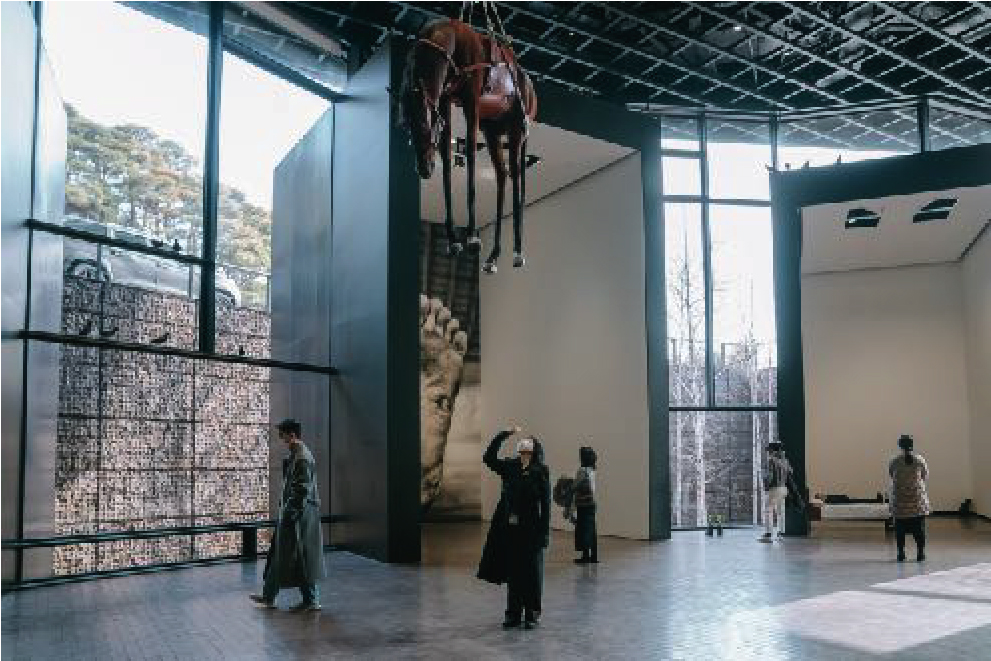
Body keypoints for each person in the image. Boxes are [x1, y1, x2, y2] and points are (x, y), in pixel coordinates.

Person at [477, 425, 551, 629]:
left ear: (534, 452)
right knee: (514, 572)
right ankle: (513, 613)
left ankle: (532, 614)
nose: (524, 453)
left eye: (528, 450)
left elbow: (546, 505)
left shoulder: (541, 471)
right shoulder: (510, 467)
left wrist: (544, 533)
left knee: (532, 573)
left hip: (531, 530)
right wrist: (503, 434)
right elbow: (488, 458)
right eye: (522, 450)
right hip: (511, 529)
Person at [250, 419, 326, 610]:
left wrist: (290, 515)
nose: (281, 440)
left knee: (300, 558)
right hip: (295, 516)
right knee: (284, 555)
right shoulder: (297, 455)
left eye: (282, 436)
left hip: (299, 518)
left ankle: (310, 600)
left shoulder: (302, 457)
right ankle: (270, 596)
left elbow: (301, 491)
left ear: (292, 435)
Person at [889, 434, 930, 562]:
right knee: (919, 529)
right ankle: (920, 553)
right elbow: (925, 476)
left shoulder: (894, 461)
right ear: (912, 445)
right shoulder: (920, 460)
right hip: (917, 502)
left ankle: (901, 553)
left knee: (899, 530)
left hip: (900, 503)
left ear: (900, 446)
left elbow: (892, 475)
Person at [566, 446, 598, 564]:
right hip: (591, 503)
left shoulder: (582, 470)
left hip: (583, 505)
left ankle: (585, 557)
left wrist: (567, 488)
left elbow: (575, 486)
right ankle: (593, 556)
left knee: (583, 530)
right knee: (591, 530)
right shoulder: (592, 470)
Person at [760, 441, 793, 543]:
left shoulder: (771, 461)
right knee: (780, 511)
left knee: (768, 510)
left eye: (769, 450)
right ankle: (780, 533)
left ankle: (768, 534)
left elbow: (769, 476)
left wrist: (766, 485)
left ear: (773, 451)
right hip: (783, 488)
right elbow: (791, 471)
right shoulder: (785, 460)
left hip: (774, 488)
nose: (768, 452)